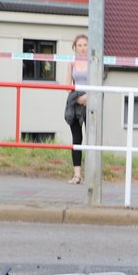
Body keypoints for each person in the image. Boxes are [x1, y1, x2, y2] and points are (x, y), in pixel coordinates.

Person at [63, 33, 89, 184]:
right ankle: (77, 175)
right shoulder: (71, 63)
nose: (83, 48)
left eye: (85, 45)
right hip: (74, 102)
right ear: (75, 47)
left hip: (90, 103)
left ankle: (93, 172)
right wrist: (77, 97)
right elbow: (68, 85)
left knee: (92, 138)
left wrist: (87, 98)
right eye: (79, 45)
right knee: (77, 139)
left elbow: (98, 83)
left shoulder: (93, 62)